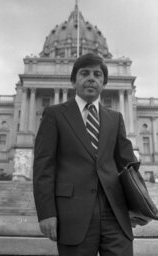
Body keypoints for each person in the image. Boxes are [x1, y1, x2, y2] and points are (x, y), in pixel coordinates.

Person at [33, 53, 137, 256]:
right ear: (74, 80)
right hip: (72, 213)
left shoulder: (115, 118)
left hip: (115, 213)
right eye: (85, 73)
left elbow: (127, 166)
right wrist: (46, 213)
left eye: (97, 74)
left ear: (104, 83)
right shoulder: (54, 114)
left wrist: (137, 206)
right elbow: (44, 167)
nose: (91, 78)